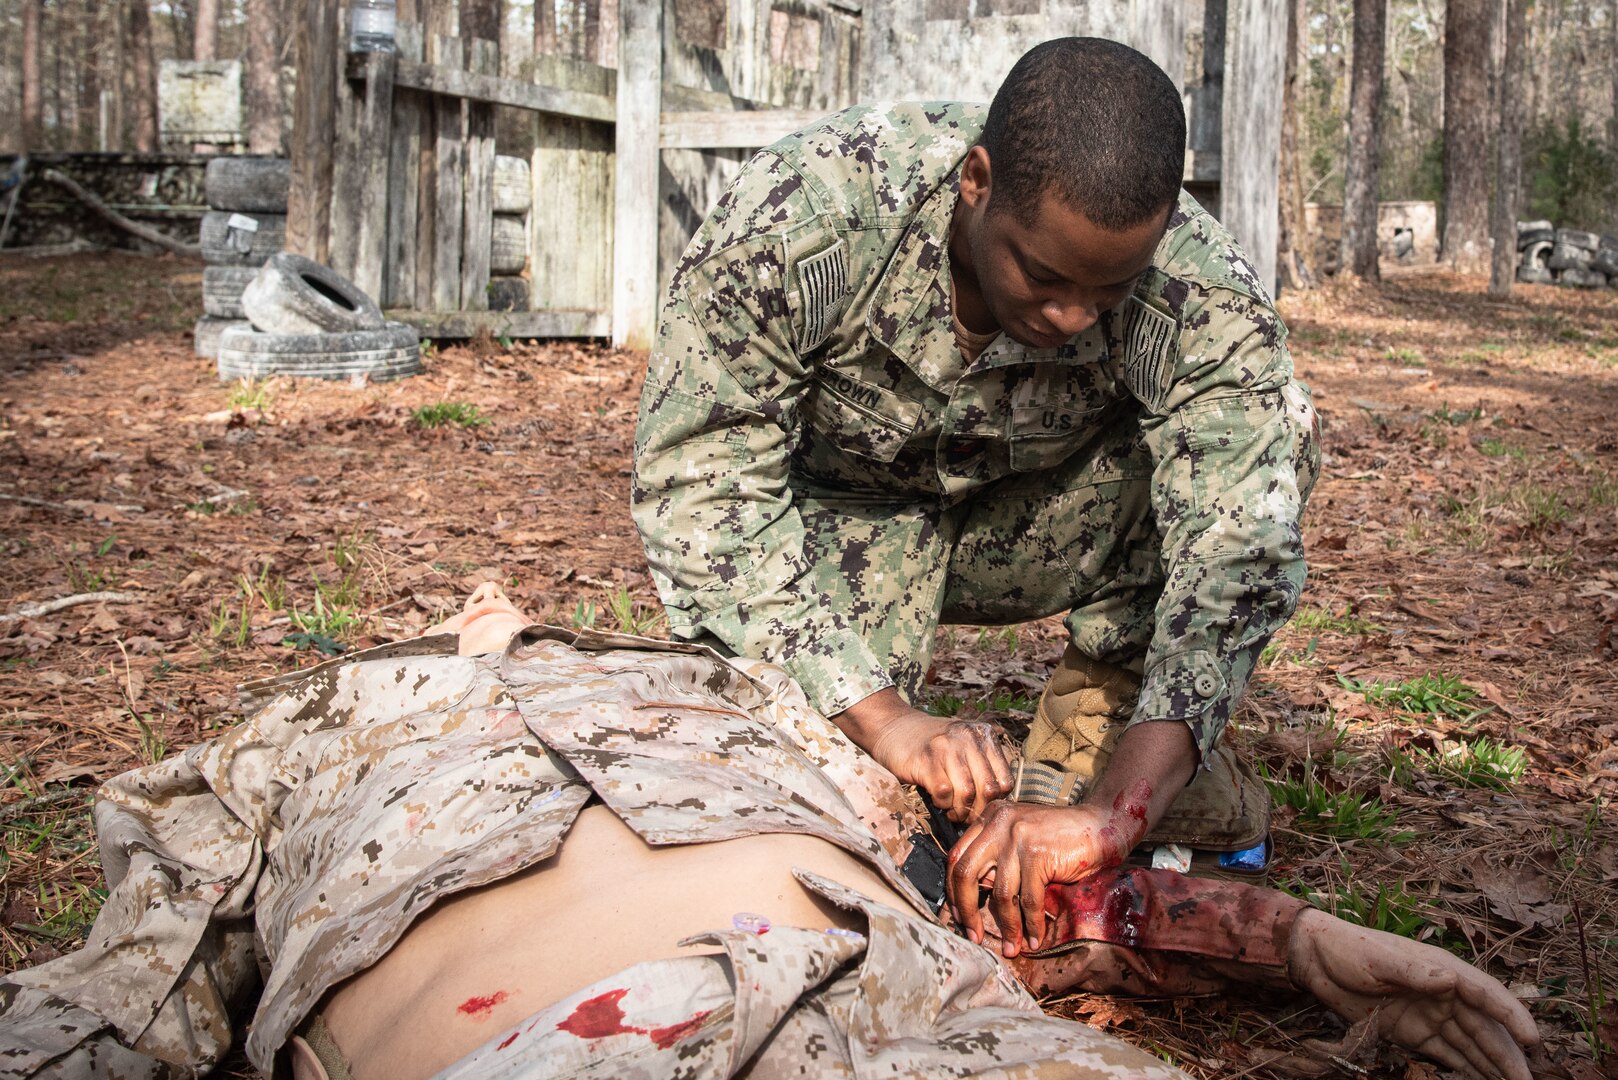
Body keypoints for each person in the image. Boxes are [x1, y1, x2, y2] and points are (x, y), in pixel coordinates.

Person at [0, 585, 1535, 1080]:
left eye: (524, 616)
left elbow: (1026, 895)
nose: (507, 619)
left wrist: (1310, 944)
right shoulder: (330, 723)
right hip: (565, 1042)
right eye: (480, 618)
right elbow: (136, 982)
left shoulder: (749, 702)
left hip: (895, 1008)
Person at [631, 33, 1322, 948]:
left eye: (1106, 292)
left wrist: (1117, 812)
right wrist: (886, 721)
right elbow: (702, 490)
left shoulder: (1197, 289)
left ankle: (1095, 742)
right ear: (978, 181)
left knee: (1253, 464)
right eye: (1041, 274)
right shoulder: (804, 218)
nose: (1069, 316)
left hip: (1041, 518)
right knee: (824, 803)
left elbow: (1243, 544)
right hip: (837, 525)